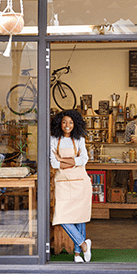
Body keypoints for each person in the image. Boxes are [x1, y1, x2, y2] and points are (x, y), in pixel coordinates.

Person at [50, 109, 93, 263]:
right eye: (64, 122)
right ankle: (83, 244)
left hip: (80, 182)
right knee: (61, 217)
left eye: (71, 122)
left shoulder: (79, 139)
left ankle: (76, 254)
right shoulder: (53, 139)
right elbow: (54, 163)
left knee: (79, 217)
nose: (67, 125)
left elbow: (84, 160)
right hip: (63, 184)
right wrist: (74, 160)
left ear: (75, 124)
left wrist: (63, 160)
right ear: (59, 124)